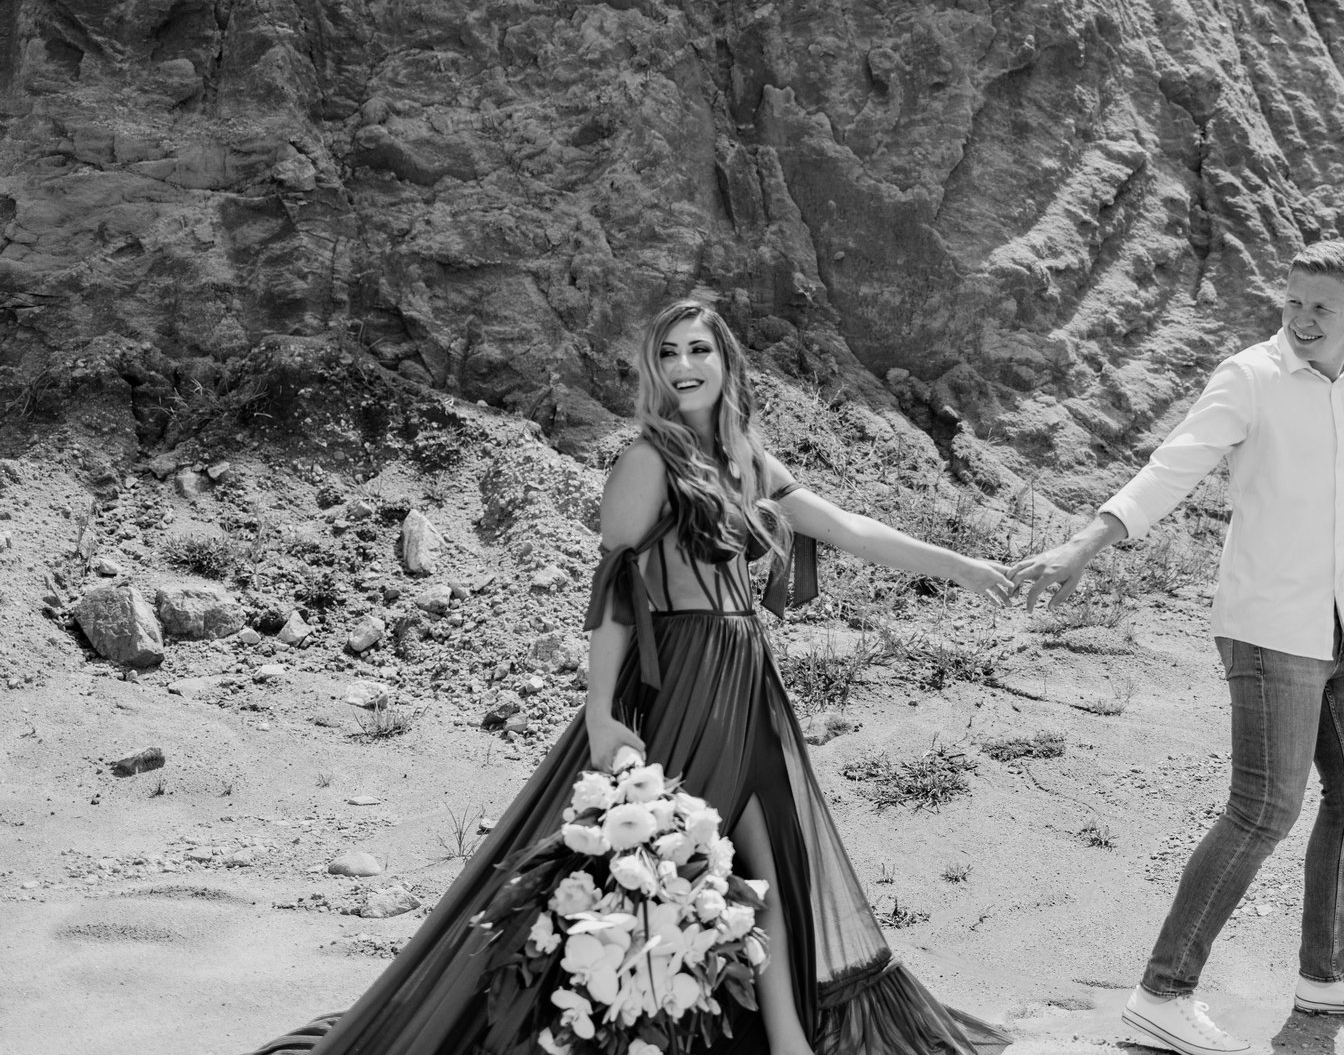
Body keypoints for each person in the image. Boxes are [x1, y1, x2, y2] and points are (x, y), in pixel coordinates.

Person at [250, 299, 1015, 1055]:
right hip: (678, 678)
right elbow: (617, 594)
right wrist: (598, 712)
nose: (684, 366)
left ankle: (788, 1041)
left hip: (748, 677)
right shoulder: (648, 459)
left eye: (699, 350)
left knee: (771, 860)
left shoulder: (746, 459)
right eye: (668, 353)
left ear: (727, 362)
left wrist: (964, 567)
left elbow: (849, 528)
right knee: (657, 863)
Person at [1012, 241, 1344, 1055]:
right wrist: (1086, 542)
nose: (1302, 319)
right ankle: (1163, 993)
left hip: (1339, 622)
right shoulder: (1250, 376)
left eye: (1321, 307)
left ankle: (1326, 975)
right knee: (1263, 809)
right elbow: (1173, 467)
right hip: (1266, 622)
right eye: (1292, 302)